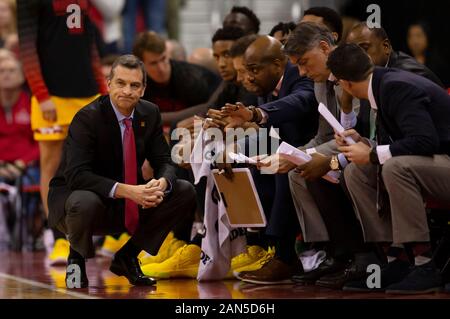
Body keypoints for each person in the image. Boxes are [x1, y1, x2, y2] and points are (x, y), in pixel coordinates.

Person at [47, 55, 197, 289]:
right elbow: (77, 176)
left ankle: (127, 257)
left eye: (134, 85)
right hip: (76, 201)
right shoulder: (87, 117)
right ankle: (76, 258)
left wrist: (162, 182)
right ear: (108, 84)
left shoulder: (150, 113)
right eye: (121, 83)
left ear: (143, 89)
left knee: (183, 190)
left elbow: (164, 160)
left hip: (128, 200)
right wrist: (128, 191)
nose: (127, 90)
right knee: (83, 200)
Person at [328, 43, 450, 294]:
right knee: (355, 171)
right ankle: (395, 260)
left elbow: (425, 141)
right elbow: (405, 143)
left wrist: (372, 153)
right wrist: (365, 144)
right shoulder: (381, 85)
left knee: (395, 167)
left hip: (444, 159)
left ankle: (424, 264)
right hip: (434, 162)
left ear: (344, 84)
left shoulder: (396, 86)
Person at [17, 0, 108, 265]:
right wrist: (41, 94)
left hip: (87, 92)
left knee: (96, 162)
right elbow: (27, 50)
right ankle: (57, 236)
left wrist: (102, 89)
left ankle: (100, 231)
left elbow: (90, 45)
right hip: (51, 96)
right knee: (52, 165)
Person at [132, 31, 221, 127]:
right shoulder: (136, 82)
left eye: (163, 59)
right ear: (141, 64)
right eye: (153, 63)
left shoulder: (192, 77)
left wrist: (154, 118)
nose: (161, 68)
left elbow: (210, 107)